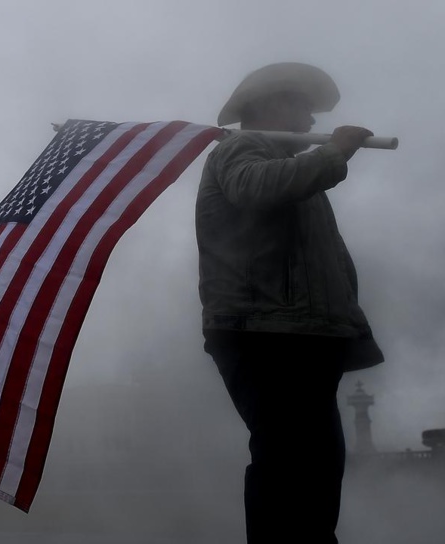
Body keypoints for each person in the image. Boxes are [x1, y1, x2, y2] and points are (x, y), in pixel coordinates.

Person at [197, 62, 384, 544]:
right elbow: (253, 188)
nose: (307, 123)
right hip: (265, 334)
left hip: (298, 337)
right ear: (268, 106)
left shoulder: (293, 170)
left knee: (316, 465)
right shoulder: (242, 147)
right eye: (300, 108)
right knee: (291, 464)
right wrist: (335, 152)